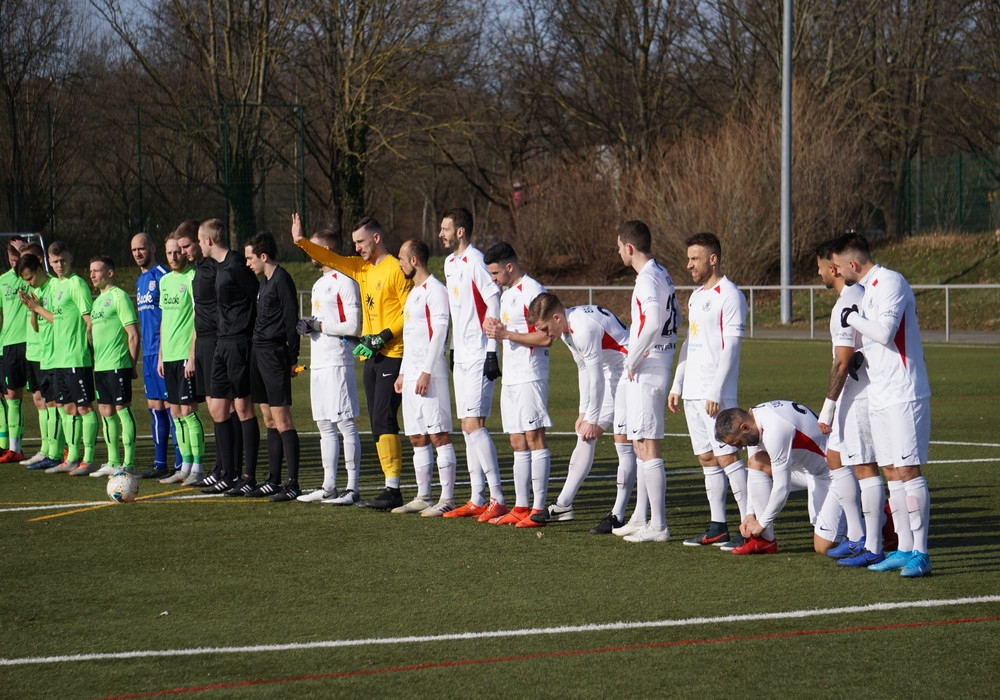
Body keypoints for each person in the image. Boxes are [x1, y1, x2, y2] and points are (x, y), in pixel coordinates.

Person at [291, 213, 412, 509]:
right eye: (354, 242)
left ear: (376, 238)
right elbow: (328, 257)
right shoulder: (360, 268)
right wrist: (300, 242)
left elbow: (409, 311)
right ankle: (384, 487)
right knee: (376, 423)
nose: (356, 247)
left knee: (384, 418)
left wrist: (383, 335)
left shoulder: (395, 268)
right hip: (371, 355)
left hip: (394, 352)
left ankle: (391, 488)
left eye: (360, 241)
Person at [831, 232, 933, 578]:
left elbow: (886, 332)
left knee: (908, 470)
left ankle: (921, 552)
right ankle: (904, 548)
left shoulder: (891, 281)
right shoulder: (869, 290)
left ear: (852, 264)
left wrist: (851, 319)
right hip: (881, 394)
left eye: (838, 265)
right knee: (892, 472)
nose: (836, 270)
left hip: (905, 392)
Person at [526, 293, 636, 534]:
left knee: (623, 442)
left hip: (631, 370)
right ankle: (563, 505)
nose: (544, 334)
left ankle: (618, 514)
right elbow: (583, 369)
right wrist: (583, 411)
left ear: (556, 317)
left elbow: (596, 377)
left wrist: (593, 418)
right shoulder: (565, 330)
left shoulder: (582, 328)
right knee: (585, 436)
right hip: (612, 372)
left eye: (545, 328)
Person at [667, 232, 749, 551]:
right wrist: (678, 384)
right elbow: (691, 340)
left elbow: (732, 346)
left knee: (727, 458)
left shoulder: (730, 296)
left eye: (695, 258)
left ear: (712, 259)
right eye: (689, 258)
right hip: (692, 393)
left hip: (718, 395)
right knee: (706, 458)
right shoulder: (696, 296)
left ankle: (749, 525)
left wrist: (716, 389)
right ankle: (718, 526)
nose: (689, 265)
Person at [815, 239, 888, 567]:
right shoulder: (857, 297)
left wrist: (828, 406)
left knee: (864, 466)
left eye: (820, 266)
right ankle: (858, 536)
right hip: (854, 394)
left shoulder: (847, 303)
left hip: (859, 395)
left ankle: (873, 542)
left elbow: (843, 362)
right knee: (835, 458)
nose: (819, 273)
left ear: (834, 268)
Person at [612, 221, 680, 543]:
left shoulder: (647, 279)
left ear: (629, 247)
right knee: (639, 443)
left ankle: (659, 525)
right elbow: (672, 317)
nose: (618, 252)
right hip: (655, 361)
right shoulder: (661, 273)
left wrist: (634, 356)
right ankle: (641, 517)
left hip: (650, 364)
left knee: (648, 443)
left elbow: (654, 320)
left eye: (619, 246)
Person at [437, 208, 505, 519]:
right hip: (462, 356)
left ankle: (498, 497)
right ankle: (477, 497)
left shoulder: (476, 260)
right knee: (466, 429)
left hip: (480, 353)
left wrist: (491, 349)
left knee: (473, 425)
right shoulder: (449, 264)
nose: (441, 234)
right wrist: (452, 348)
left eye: (446, 229)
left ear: (460, 232)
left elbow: (493, 299)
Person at [715, 401, 844, 555]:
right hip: (808, 469)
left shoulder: (774, 429)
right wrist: (750, 514)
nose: (740, 448)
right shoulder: (754, 420)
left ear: (744, 427)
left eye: (737, 442)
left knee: (824, 547)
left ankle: (877, 520)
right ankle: (765, 541)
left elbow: (782, 487)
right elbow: (754, 471)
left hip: (832, 474)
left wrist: (762, 523)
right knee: (757, 461)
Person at [483, 241, 552, 527]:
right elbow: (504, 332)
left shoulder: (533, 291)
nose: (493, 279)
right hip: (511, 377)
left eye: (496, 273)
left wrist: (506, 334)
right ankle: (521, 505)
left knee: (534, 438)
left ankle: (538, 509)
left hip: (531, 375)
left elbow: (546, 337)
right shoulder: (508, 293)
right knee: (516, 440)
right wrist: (495, 334)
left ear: (510, 267)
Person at [295, 229, 364, 505]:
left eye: (314, 247)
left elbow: (354, 326)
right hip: (319, 361)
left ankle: (353, 487)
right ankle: (329, 485)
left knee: (345, 423)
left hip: (338, 360)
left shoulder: (344, 281)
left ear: (326, 249)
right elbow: (323, 321)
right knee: (324, 424)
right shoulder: (319, 284)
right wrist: (308, 326)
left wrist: (319, 325)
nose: (309, 252)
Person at [174, 221, 243, 489]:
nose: (183, 252)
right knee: (217, 411)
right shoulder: (198, 270)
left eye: (187, 246)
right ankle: (222, 466)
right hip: (202, 343)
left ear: (201, 242)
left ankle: (232, 470)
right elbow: (197, 314)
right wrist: (192, 354)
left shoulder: (217, 268)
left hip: (217, 341)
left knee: (225, 409)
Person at [391, 239, 458, 514]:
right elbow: (411, 338)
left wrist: (427, 371)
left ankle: (447, 499)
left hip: (431, 375)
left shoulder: (436, 291)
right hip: (411, 376)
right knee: (417, 436)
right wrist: (403, 372)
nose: (399, 263)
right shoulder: (413, 294)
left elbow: (440, 332)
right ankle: (423, 496)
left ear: (414, 260)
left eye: (401, 259)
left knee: (438, 434)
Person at [197, 218, 261, 495]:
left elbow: (257, 296)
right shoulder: (218, 267)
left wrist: (250, 334)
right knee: (218, 409)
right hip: (221, 343)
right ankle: (228, 472)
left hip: (239, 343)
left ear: (209, 241)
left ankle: (248, 476)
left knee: (243, 409)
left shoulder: (236, 264)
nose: (200, 245)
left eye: (200, 240)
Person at [29, 242, 97, 476]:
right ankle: (72, 457)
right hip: (59, 359)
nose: (59, 265)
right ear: (48, 261)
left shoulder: (77, 284)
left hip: (77, 358)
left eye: (63, 261)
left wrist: (91, 348)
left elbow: (89, 320)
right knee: (67, 408)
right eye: (55, 261)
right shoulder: (56, 286)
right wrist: (37, 309)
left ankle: (88, 459)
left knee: (84, 407)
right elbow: (57, 320)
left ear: (71, 258)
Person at [244, 232, 302, 501]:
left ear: (263, 256)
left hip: (275, 356)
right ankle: (274, 479)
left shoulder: (282, 280)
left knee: (282, 419)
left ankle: (293, 483)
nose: (248, 263)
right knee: (268, 418)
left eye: (250, 258)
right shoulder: (264, 282)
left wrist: (292, 358)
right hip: (259, 353)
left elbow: (292, 320)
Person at [157, 235, 205, 485]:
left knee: (188, 410)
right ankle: (184, 465)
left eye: (177, 252)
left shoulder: (192, 278)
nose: (173, 257)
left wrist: (192, 356)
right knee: (175, 412)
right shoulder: (165, 281)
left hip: (186, 355)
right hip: (170, 356)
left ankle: (198, 467)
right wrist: (161, 356)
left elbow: (198, 319)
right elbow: (165, 319)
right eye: (169, 253)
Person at [131, 232, 179, 480]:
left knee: (174, 409)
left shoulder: (163, 275)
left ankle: (182, 464)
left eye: (142, 248)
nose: (138, 253)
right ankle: (160, 462)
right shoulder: (140, 281)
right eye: (134, 250)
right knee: (155, 407)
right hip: (149, 354)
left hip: (165, 352)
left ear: (152, 247)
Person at [87, 256, 140, 477]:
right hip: (100, 367)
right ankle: (112, 461)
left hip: (118, 365)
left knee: (122, 410)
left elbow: (133, 335)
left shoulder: (119, 297)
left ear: (109, 273)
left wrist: (131, 364)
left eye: (97, 271)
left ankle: (128, 463)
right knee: (105, 412)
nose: (92, 275)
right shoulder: (97, 301)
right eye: (90, 271)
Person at [16, 252, 63, 471]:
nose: (29, 283)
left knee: (56, 405)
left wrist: (37, 309)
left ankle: (56, 453)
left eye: (30, 278)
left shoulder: (54, 287)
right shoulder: (37, 291)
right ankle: (48, 450)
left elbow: (59, 320)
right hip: (43, 355)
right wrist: (32, 311)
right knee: (47, 402)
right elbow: (36, 327)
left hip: (57, 355)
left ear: (39, 268)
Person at [0, 236, 30, 463]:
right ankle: (14, 448)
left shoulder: (34, 278)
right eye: (12, 258)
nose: (15, 262)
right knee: (12, 397)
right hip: (9, 344)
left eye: (18, 257)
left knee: (43, 399)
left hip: (33, 343)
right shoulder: (3, 282)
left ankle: (58, 449)